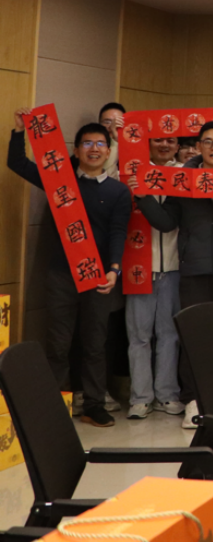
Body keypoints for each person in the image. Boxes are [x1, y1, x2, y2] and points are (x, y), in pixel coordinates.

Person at [9, 112, 129, 428]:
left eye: (100, 144)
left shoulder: (118, 191)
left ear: (108, 151)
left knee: (95, 344)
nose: (94, 149)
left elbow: (118, 232)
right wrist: (19, 132)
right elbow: (17, 163)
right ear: (76, 151)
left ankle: (93, 404)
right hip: (62, 274)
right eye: (87, 143)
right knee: (58, 344)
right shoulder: (60, 182)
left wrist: (114, 269)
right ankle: (55, 404)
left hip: (99, 277)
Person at [135, 120, 213, 428]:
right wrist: (143, 198)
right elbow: (167, 222)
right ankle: (193, 401)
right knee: (194, 336)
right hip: (194, 271)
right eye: (207, 142)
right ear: (198, 146)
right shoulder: (183, 179)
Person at [124, 132, 183, 420]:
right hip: (138, 268)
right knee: (138, 336)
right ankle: (140, 398)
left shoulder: (184, 175)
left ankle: (167, 394)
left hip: (174, 267)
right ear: (147, 144)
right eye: (158, 140)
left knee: (170, 335)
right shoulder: (130, 173)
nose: (164, 145)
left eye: (170, 141)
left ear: (178, 146)